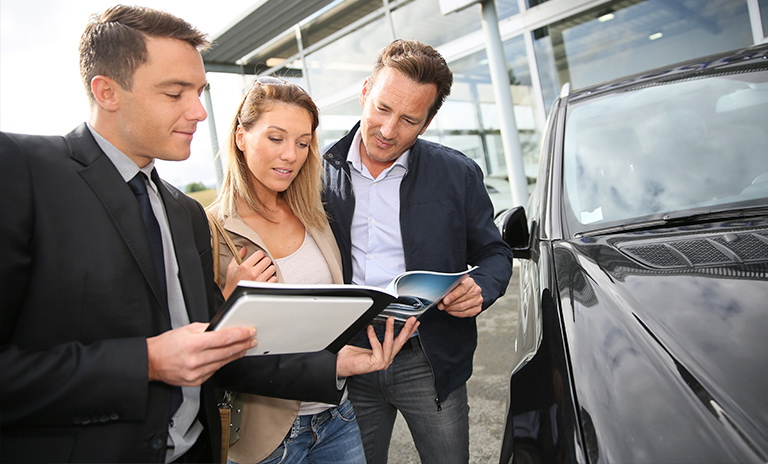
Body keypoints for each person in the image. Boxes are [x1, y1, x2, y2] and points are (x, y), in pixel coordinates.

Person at [0, 6, 409, 463]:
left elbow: (222, 349)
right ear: (107, 91)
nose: (197, 111)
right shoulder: (19, 171)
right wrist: (146, 363)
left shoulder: (183, 212)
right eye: (175, 93)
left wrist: (333, 365)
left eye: (199, 92)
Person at [207, 77, 419, 464]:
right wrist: (226, 301)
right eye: (276, 138)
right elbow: (199, 344)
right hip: (267, 437)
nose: (291, 154)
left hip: (337, 415)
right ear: (241, 137)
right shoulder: (210, 229)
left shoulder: (316, 215)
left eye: (302, 143)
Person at [322, 39, 514, 464]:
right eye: (383, 108)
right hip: (347, 358)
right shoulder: (314, 173)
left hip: (428, 360)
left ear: (426, 124)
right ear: (365, 91)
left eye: (409, 119)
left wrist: (481, 286)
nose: (389, 131)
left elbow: (495, 252)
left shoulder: (457, 173)